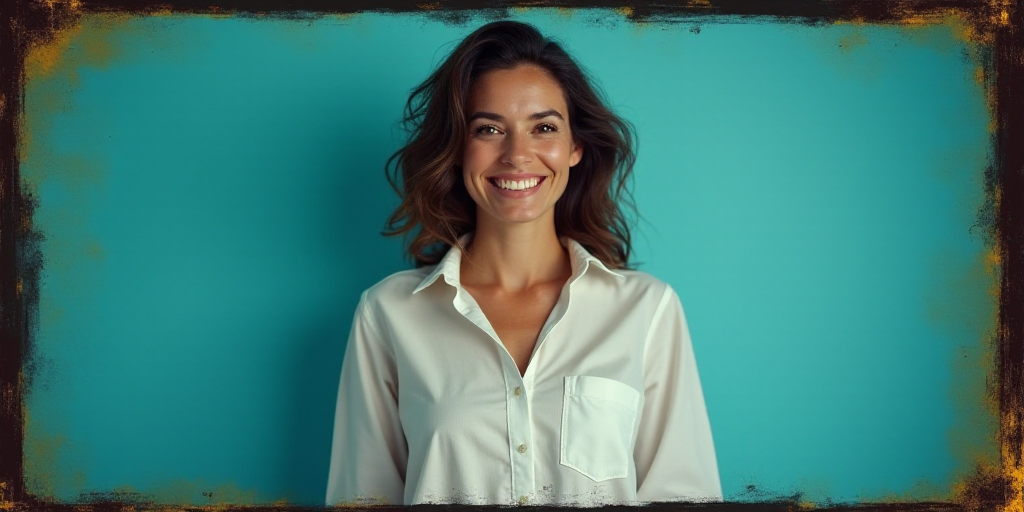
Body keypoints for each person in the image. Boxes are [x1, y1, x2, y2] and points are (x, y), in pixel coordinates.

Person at [325, 20, 721, 507]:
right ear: (458, 148)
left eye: (544, 128)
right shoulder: (388, 314)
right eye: (489, 129)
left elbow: (685, 495)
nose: (517, 155)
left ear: (575, 147)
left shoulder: (648, 311)